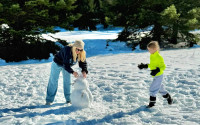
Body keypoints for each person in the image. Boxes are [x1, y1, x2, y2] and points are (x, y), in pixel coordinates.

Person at [45, 40, 88, 105]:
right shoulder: (67, 50)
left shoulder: (81, 53)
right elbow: (65, 64)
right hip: (57, 64)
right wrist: (72, 72)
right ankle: (49, 100)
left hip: (66, 66)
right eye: (77, 49)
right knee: (53, 81)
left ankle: (68, 99)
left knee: (67, 81)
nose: (78, 51)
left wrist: (84, 71)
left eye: (80, 50)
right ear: (74, 47)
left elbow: (83, 62)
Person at [138, 41, 173, 108]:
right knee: (161, 89)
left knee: (152, 89)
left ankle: (152, 104)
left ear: (154, 49)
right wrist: (145, 66)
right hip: (156, 75)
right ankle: (169, 98)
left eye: (150, 50)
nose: (149, 51)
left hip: (159, 75)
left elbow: (163, 66)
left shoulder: (159, 57)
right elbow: (152, 65)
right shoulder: (152, 56)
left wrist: (157, 70)